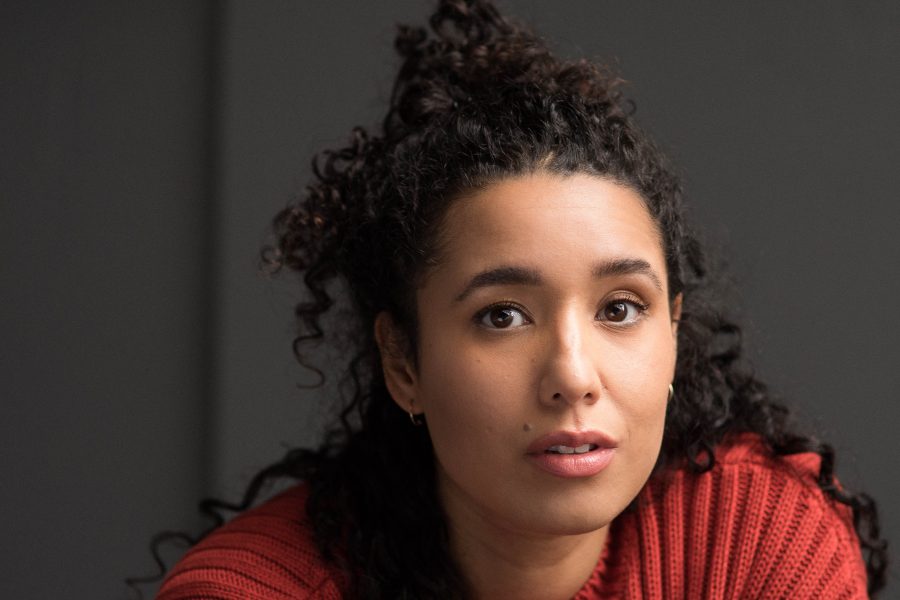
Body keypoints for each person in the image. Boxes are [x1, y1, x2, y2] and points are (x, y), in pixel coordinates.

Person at [152, 1, 886, 598]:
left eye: (620, 308)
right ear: (404, 361)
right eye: (502, 316)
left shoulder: (756, 543)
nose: (573, 374)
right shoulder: (257, 591)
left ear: (674, 331)